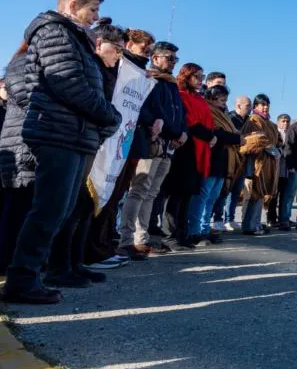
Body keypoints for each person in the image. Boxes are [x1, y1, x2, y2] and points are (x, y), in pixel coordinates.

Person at [3, 0, 121, 304]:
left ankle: (47, 271)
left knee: (63, 209)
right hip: (58, 131)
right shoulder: (55, 32)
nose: (96, 17)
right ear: (71, 5)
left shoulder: (75, 37)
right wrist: (109, 116)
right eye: (92, 9)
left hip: (75, 133)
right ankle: (22, 279)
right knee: (49, 209)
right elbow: (69, 84)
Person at [47, 19, 126, 287]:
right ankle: (58, 266)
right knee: (71, 206)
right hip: (77, 139)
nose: (119, 56)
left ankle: (75, 262)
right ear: (100, 44)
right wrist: (110, 119)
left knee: (85, 206)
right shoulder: (89, 67)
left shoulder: (107, 72)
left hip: (95, 141)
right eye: (117, 49)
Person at [83, 24, 158, 268]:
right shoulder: (118, 68)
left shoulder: (141, 74)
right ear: (128, 45)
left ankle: (104, 245)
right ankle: (92, 249)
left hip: (127, 143)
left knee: (114, 197)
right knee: (100, 196)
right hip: (107, 142)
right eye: (144, 48)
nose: (147, 53)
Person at [116, 41, 185, 260]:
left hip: (167, 146)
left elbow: (179, 114)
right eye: (169, 58)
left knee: (152, 193)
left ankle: (142, 238)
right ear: (155, 58)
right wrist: (165, 127)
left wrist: (182, 132)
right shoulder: (148, 78)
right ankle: (126, 239)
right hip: (150, 142)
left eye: (175, 59)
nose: (173, 62)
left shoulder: (171, 84)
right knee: (138, 190)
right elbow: (144, 108)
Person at [159, 63, 216, 250]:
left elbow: (207, 123)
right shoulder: (180, 95)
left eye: (202, 77)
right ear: (186, 76)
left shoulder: (199, 98)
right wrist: (210, 136)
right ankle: (169, 235)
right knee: (176, 195)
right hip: (183, 149)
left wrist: (211, 135)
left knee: (187, 196)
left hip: (198, 151)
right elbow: (189, 123)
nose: (200, 80)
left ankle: (182, 235)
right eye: (196, 76)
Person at [186, 85, 243, 245]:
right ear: (211, 98)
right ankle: (194, 231)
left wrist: (234, 137)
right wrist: (236, 139)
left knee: (212, 198)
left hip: (222, 161)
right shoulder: (207, 111)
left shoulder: (223, 115)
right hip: (209, 160)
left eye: (225, 100)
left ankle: (205, 229)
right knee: (202, 197)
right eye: (222, 100)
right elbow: (214, 133)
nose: (224, 103)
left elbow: (227, 133)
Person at [0, 48, 34, 276]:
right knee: (14, 209)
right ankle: (7, 263)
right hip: (17, 151)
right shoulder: (23, 64)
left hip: (20, 150)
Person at [239, 94, 280, 236]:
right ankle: (249, 226)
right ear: (256, 106)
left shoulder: (269, 123)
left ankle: (255, 223)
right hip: (256, 163)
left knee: (261, 195)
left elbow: (277, 140)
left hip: (268, 164)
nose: (265, 107)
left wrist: (277, 148)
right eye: (262, 104)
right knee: (254, 194)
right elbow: (253, 140)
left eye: (267, 104)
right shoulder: (253, 120)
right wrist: (269, 147)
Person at [211, 94, 252, 231]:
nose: (250, 108)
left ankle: (230, 218)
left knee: (236, 191)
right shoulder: (230, 118)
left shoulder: (249, 120)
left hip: (242, 160)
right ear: (238, 105)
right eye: (247, 105)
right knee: (224, 190)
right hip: (230, 159)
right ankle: (217, 218)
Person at [267, 114, 292, 228]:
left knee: (285, 196)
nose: (285, 123)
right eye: (283, 121)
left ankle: (283, 218)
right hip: (275, 170)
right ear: (278, 122)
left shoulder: (290, 134)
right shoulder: (275, 133)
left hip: (286, 171)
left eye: (287, 121)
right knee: (273, 196)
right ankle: (271, 218)